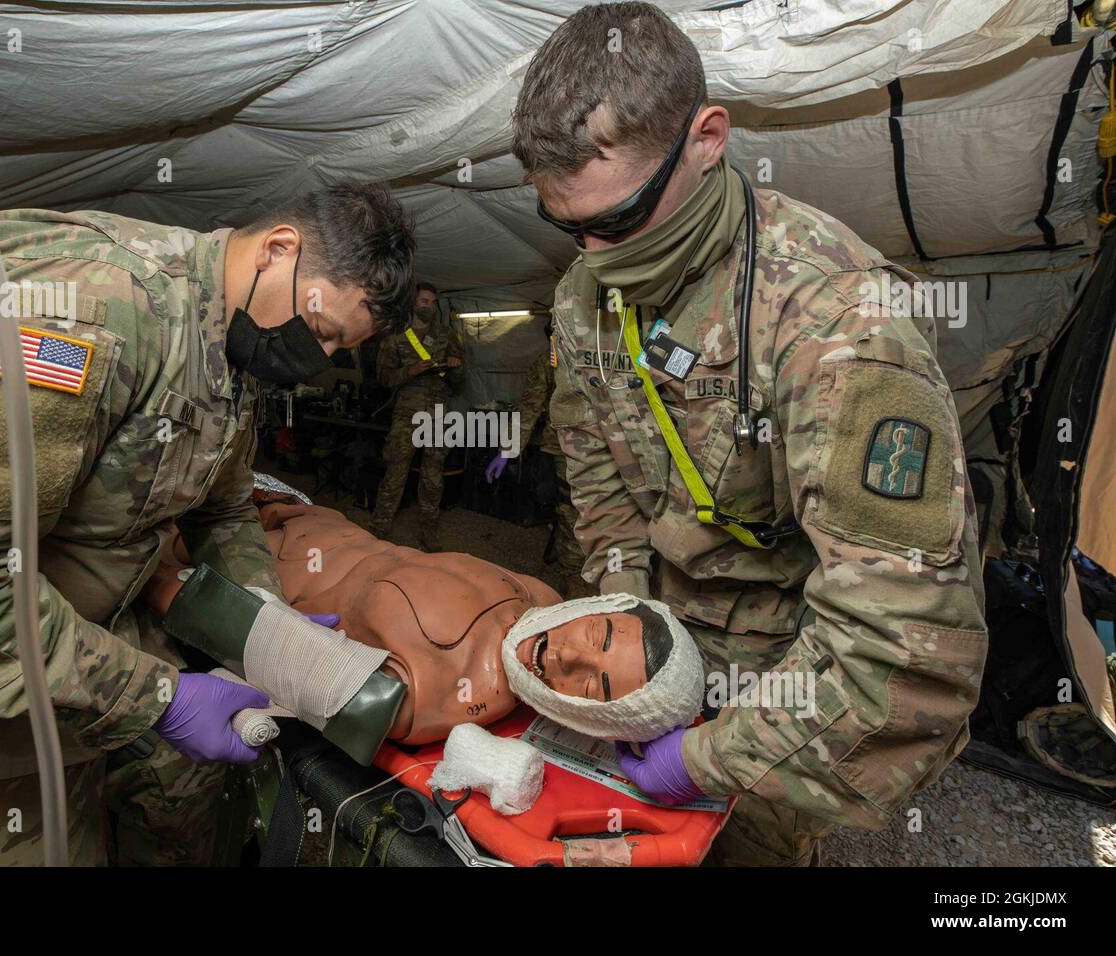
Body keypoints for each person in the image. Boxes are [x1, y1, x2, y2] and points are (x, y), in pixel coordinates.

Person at [511, 2, 988, 865]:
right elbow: (596, 468)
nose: (592, 251)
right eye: (564, 227)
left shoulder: (837, 321)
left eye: (618, 221)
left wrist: (704, 759)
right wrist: (630, 609)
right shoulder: (583, 300)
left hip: (795, 655)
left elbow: (904, 653)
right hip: (666, 625)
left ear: (708, 139)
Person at [0, 183, 416, 865]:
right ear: (278, 250)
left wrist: (263, 620)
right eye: (324, 332)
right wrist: (154, 696)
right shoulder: (84, 313)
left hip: (39, 681)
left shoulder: (226, 345)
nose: (320, 361)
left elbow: (223, 506)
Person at [143, 500, 703, 749]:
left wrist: (149, 574)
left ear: (586, 718)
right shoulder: (541, 595)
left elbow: (262, 640)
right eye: (599, 636)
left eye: (592, 684)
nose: (567, 655)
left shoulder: (447, 698)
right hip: (300, 517)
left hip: (227, 558)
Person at [484, 319, 591, 597]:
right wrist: (508, 449)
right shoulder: (548, 363)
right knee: (570, 515)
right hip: (566, 450)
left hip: (611, 449)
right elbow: (530, 406)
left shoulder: (602, 353)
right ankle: (575, 582)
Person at [370, 281, 464, 551]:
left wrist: (456, 367)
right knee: (395, 471)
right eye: (424, 301)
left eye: (433, 303)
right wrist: (409, 371)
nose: (429, 307)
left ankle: (429, 531)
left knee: (433, 475)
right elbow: (383, 378)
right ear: (412, 303)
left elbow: (461, 380)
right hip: (407, 411)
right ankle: (379, 529)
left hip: (438, 410)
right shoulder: (395, 338)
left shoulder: (447, 335)